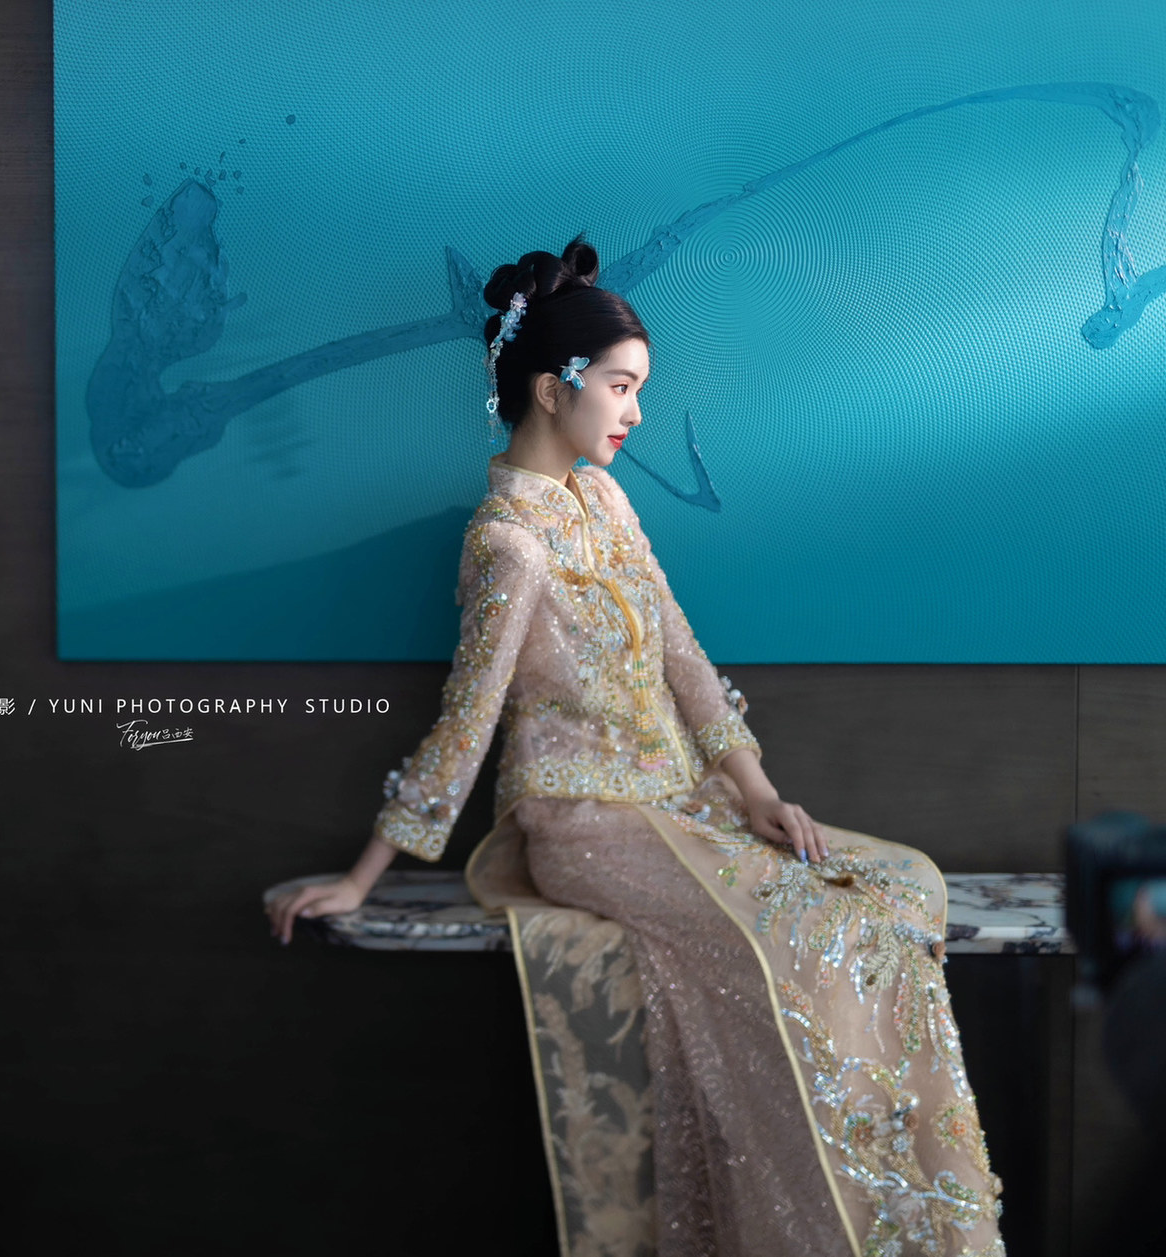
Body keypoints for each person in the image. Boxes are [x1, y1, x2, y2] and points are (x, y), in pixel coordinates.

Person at [267, 234, 1006, 1256]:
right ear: (549, 390)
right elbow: (467, 721)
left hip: (684, 805)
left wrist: (756, 790)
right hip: (584, 825)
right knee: (811, 932)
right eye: (620, 387)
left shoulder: (606, 502)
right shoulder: (508, 545)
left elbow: (682, 655)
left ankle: (899, 1214)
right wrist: (362, 877)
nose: (637, 413)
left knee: (894, 890)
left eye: (637, 389)